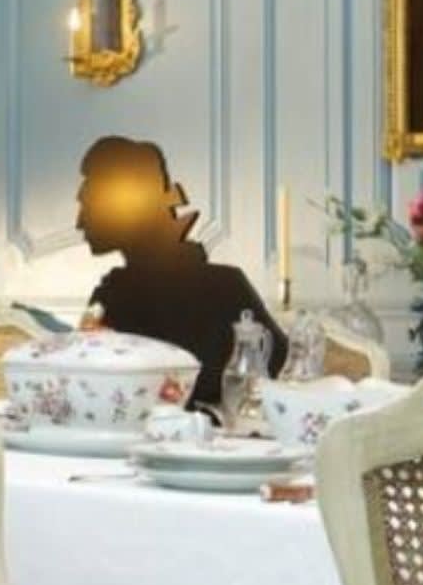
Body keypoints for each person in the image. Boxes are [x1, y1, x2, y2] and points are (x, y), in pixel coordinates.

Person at [75, 134, 284, 410]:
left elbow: (275, 362)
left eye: (88, 206)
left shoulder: (224, 287)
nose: (79, 223)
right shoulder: (113, 292)